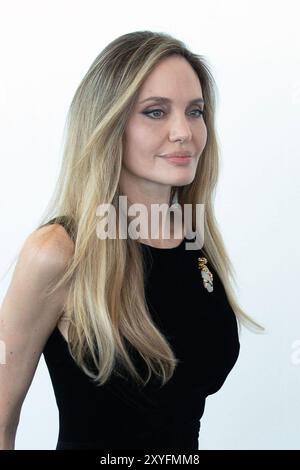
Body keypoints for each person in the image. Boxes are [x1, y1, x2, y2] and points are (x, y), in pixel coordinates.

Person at [0, 30, 263, 451]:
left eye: (195, 112)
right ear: (109, 123)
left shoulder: (193, 239)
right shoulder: (58, 253)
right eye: (156, 112)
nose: (184, 132)